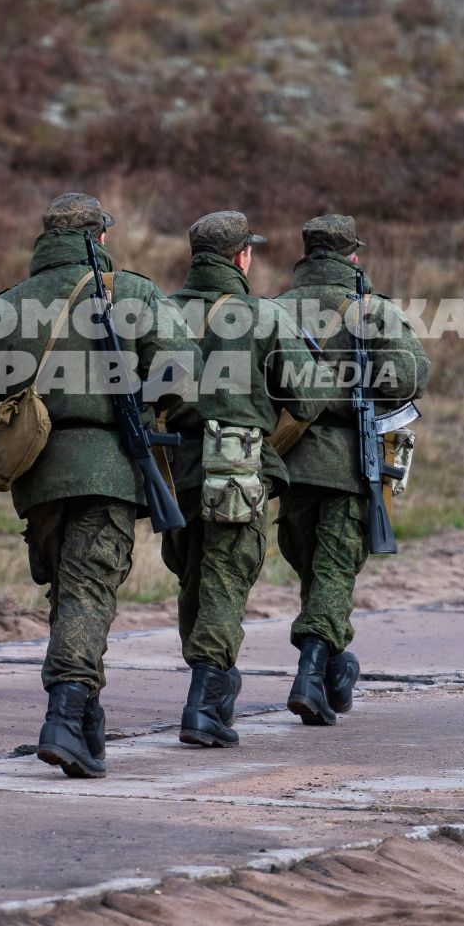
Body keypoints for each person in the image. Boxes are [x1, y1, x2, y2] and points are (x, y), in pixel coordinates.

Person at [0, 193, 196, 778]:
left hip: (37, 476)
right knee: (90, 594)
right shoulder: (131, 293)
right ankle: (64, 715)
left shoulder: (7, 306)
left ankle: (85, 721)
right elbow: (183, 370)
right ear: (100, 239)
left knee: (70, 595)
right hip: (111, 470)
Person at [161, 211, 322, 747]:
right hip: (237, 468)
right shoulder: (262, 316)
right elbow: (306, 397)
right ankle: (206, 702)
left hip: (175, 468)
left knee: (193, 577)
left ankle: (208, 679)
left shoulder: (159, 313)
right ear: (240, 257)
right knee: (226, 581)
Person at [273, 214, 430, 725]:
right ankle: (310, 673)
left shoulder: (273, 309)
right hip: (347, 462)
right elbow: (409, 377)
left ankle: (336, 669)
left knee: (316, 568)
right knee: (335, 570)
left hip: (291, 460)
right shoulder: (370, 310)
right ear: (352, 256)